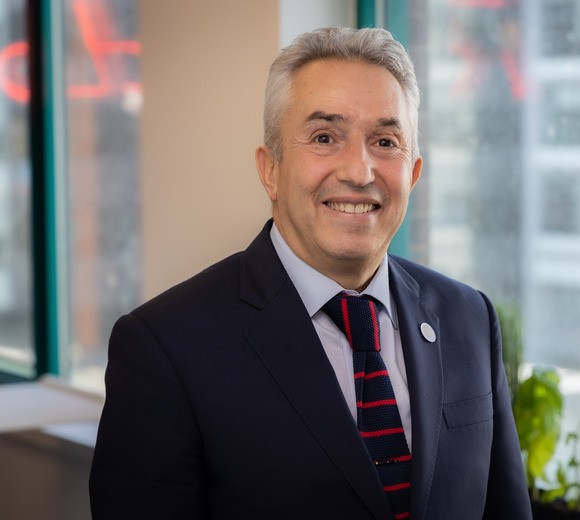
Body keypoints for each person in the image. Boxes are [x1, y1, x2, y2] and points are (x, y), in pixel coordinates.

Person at [89, 26, 532, 519]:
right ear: (270, 170)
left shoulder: (469, 317)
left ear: (414, 174)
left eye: (385, 141)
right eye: (325, 137)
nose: (359, 171)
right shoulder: (164, 347)